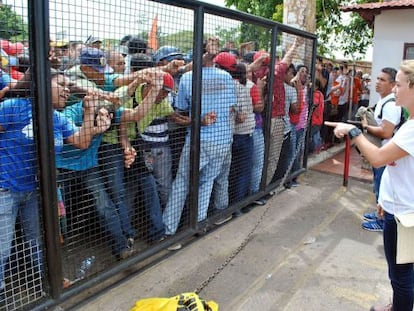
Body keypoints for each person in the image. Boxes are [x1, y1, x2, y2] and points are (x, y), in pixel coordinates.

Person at [0, 71, 106, 302]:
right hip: (5, 190)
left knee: (40, 241)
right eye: (61, 84)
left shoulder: (56, 118)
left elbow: (81, 141)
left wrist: (89, 112)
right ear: (41, 85)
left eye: (69, 86)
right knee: (2, 248)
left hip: (36, 192)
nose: (67, 90)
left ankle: (53, 282)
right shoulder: (13, 107)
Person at [325, 59, 414, 311]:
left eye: (398, 85)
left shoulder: (412, 128)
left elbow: (376, 159)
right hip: (400, 209)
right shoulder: (409, 124)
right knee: (403, 271)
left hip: (403, 215)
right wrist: (385, 202)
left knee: (401, 275)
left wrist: (354, 133)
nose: (394, 90)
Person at [162, 52, 235, 247]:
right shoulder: (226, 76)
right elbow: (231, 107)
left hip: (200, 140)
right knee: (207, 182)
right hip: (222, 140)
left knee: (183, 183)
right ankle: (198, 225)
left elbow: (181, 106)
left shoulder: (188, 77)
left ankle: (169, 233)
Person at [361, 67, 402, 232]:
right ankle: (380, 214)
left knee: (382, 186)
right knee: (379, 185)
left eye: (382, 80)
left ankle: (382, 221)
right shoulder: (385, 101)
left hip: (386, 155)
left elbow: (386, 132)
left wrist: (365, 127)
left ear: (392, 84)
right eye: (377, 79)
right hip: (382, 152)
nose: (377, 82)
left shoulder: (391, 104)